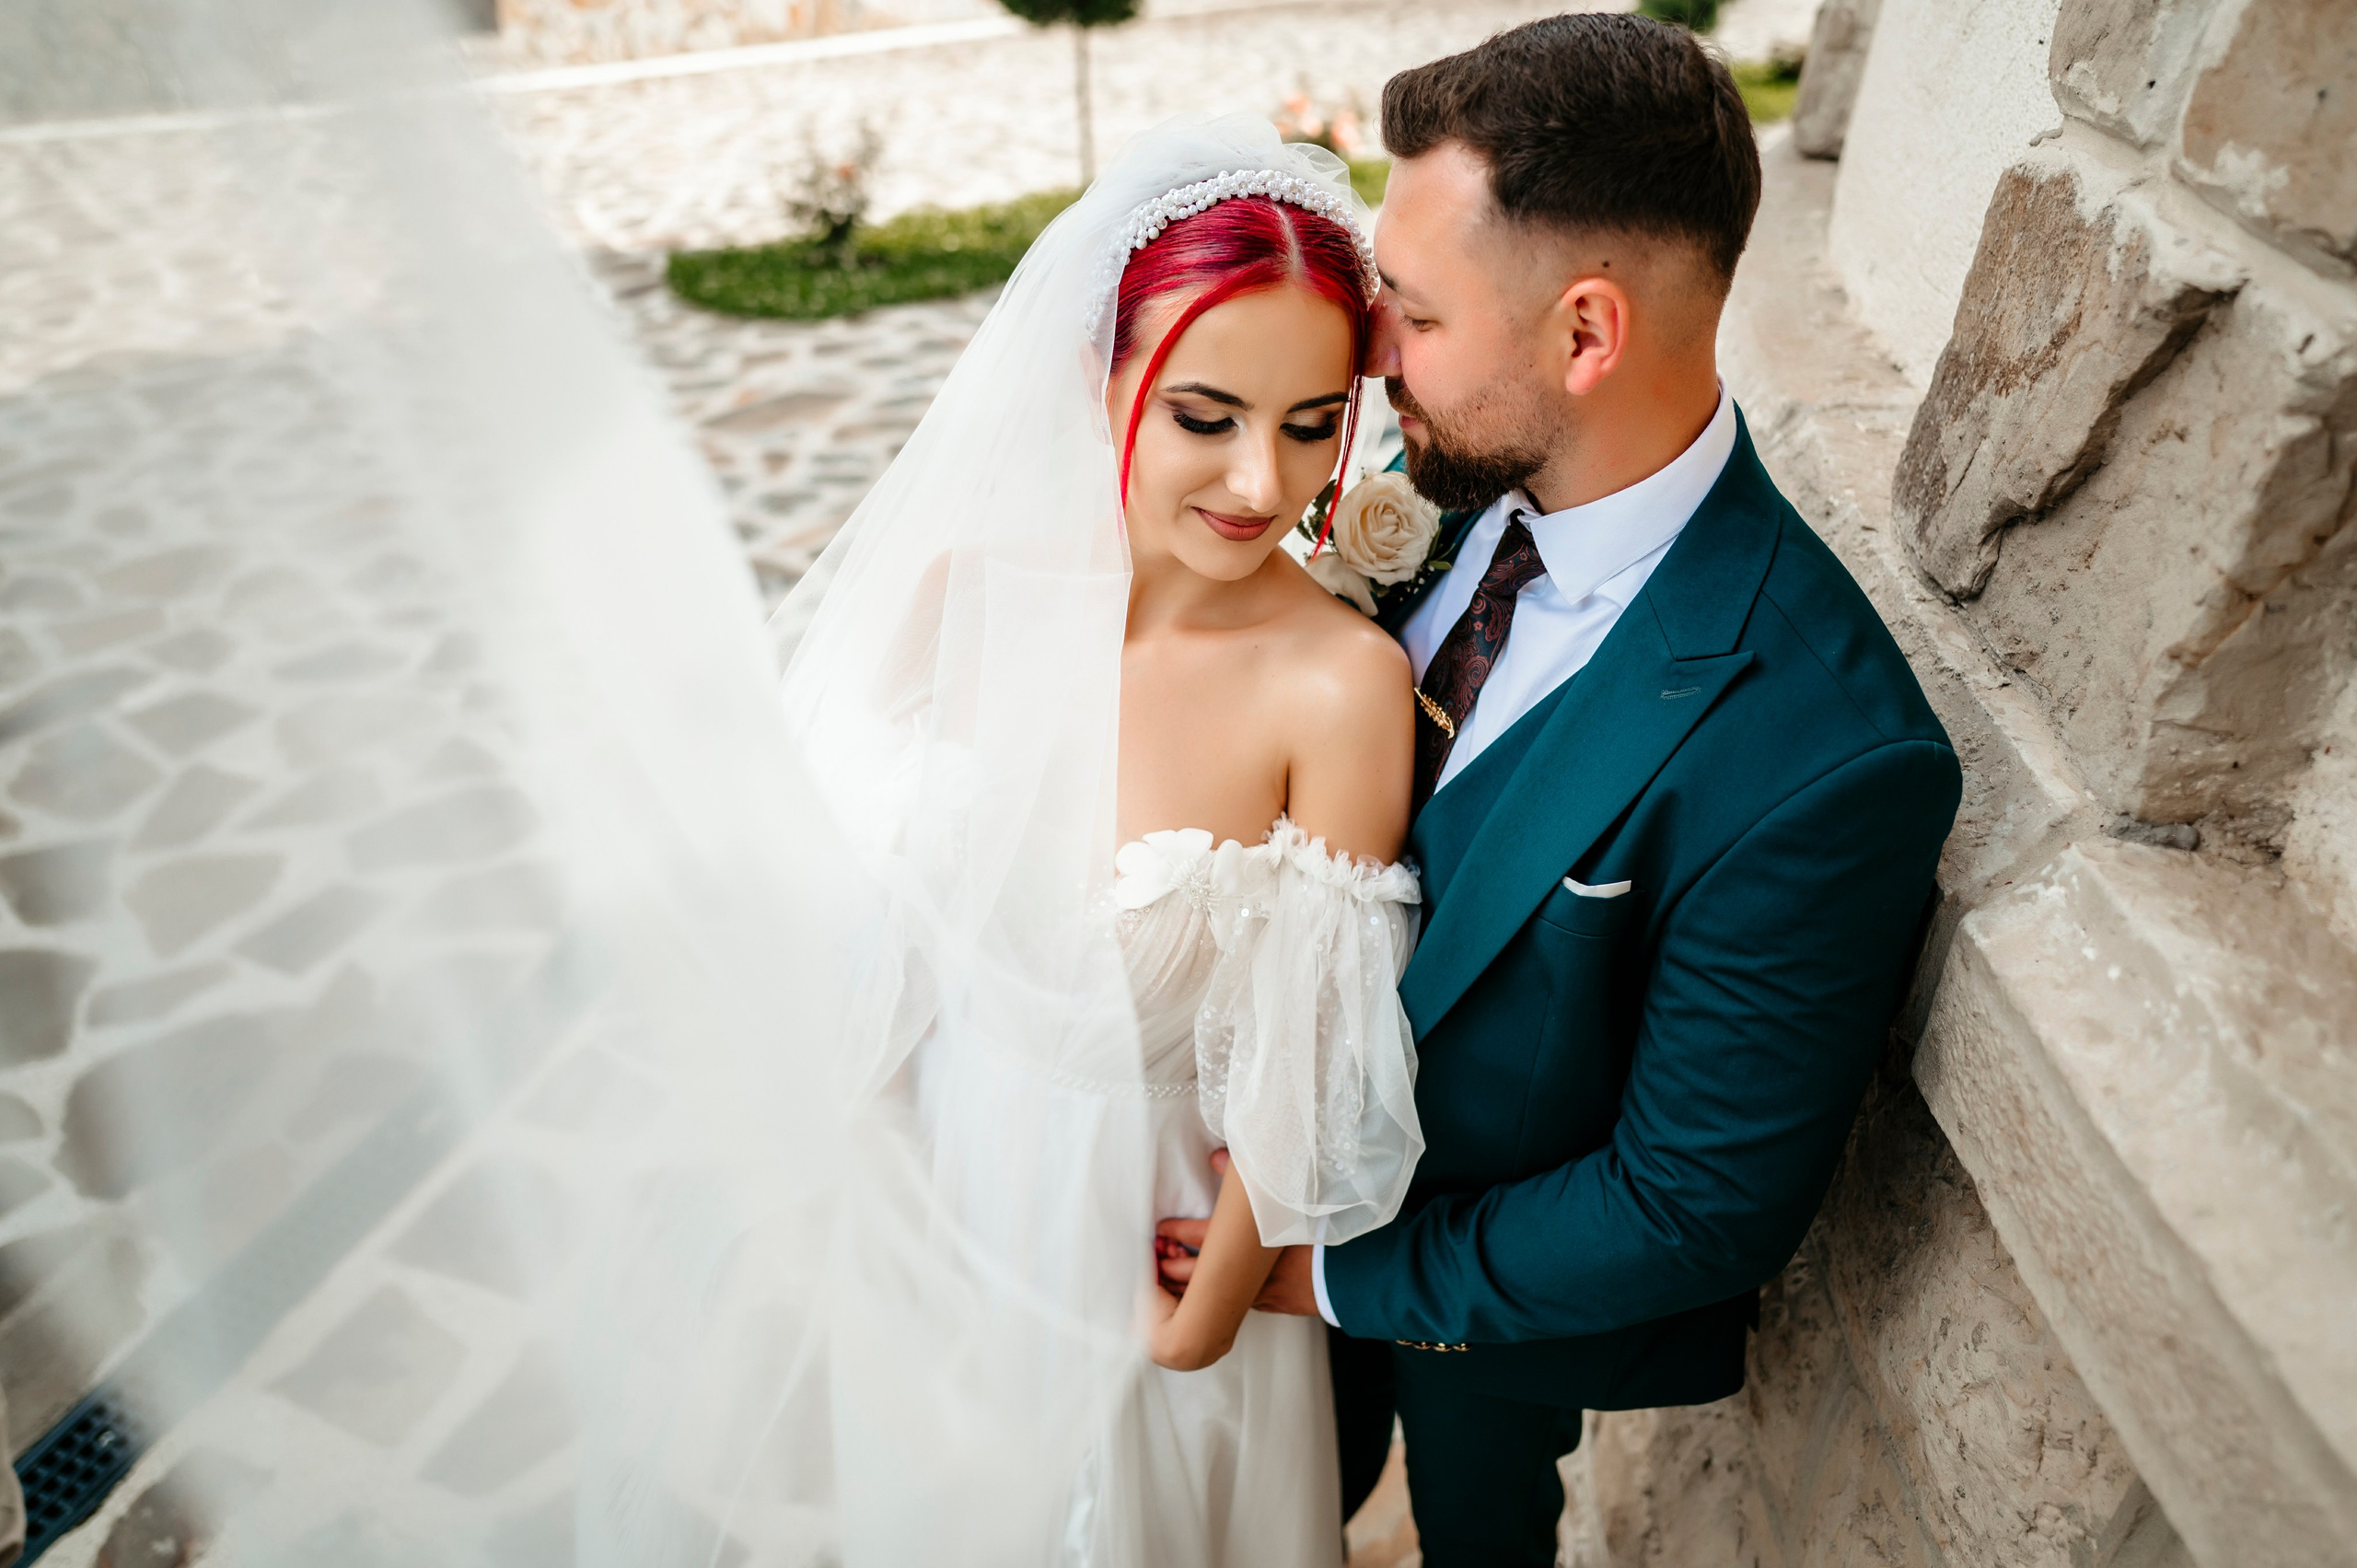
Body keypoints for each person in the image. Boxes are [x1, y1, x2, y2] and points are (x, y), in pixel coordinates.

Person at [1154, 17, 1964, 1567]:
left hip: (1465, 1297)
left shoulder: (1826, 751)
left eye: (1413, 310)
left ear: (1586, 334)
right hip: (1215, 1199)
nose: (1371, 353)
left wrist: (1325, 1279)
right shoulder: (1443, 489)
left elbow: (1689, 1205)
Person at [775, 116, 1425, 1565]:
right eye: (1206, 415)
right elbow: (848, 909)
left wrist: (1195, 1325)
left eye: (1313, 423)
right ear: (1100, 377)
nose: (1262, 483)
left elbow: (1306, 1047)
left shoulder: (1337, 686)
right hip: (945, 1202)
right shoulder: (960, 598)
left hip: (1157, 1244)